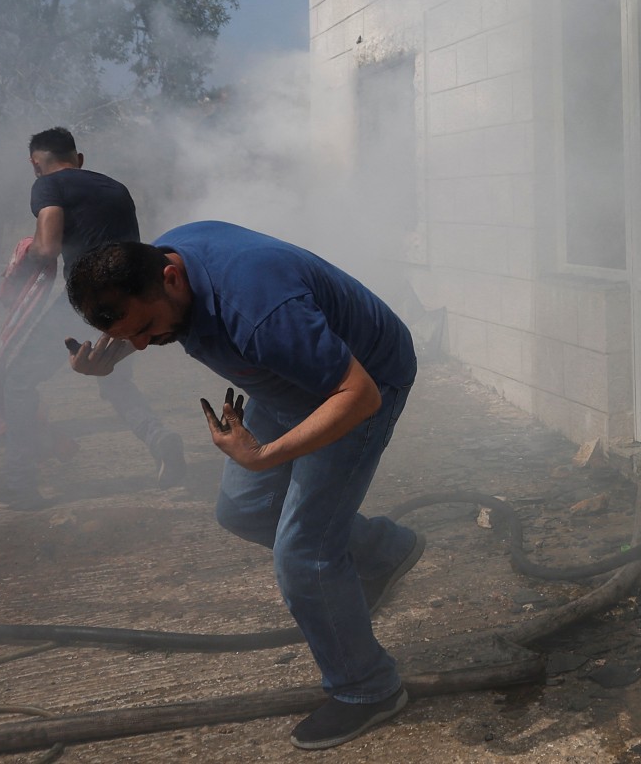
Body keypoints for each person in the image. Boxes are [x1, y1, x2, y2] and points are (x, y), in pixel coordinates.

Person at [65, 222, 423, 751]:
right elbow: (137, 322)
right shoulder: (158, 261)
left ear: (170, 280)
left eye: (145, 329)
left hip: (357, 387)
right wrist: (108, 357)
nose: (143, 345)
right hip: (286, 384)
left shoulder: (260, 314)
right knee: (244, 509)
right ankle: (385, 550)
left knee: (303, 555)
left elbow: (359, 395)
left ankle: (368, 689)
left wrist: (263, 455)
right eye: (129, 338)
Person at [0, 128, 184, 510]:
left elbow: (47, 246)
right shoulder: (115, 187)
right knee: (114, 381)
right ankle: (160, 439)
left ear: (35, 164)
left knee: (19, 381)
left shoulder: (48, 186)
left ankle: (20, 484)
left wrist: (15, 280)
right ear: (80, 158)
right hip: (134, 301)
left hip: (87, 300)